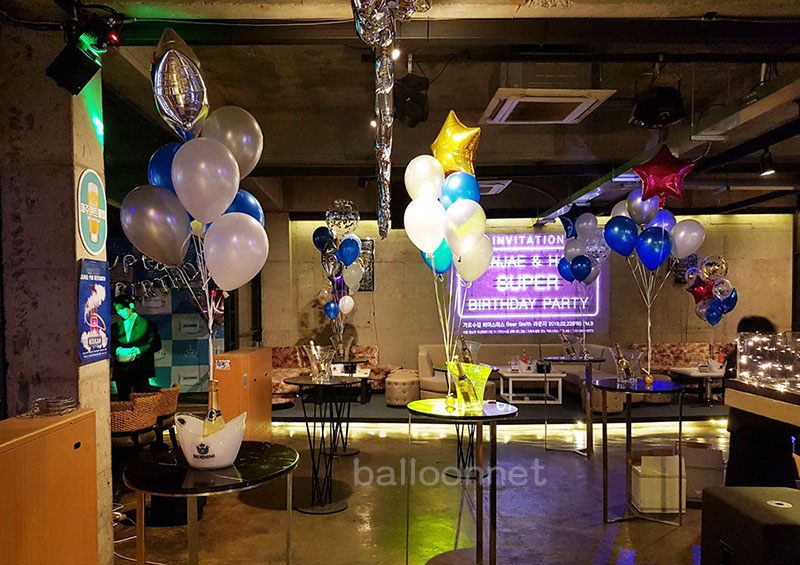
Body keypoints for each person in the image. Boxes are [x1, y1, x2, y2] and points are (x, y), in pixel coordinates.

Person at [724, 316, 798, 487]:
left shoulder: (738, 360)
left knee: (744, 485)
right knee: (776, 484)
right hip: (775, 427)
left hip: (746, 429)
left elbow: (728, 390)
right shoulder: (783, 359)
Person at [111, 295, 162, 401]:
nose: (119, 312)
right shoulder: (115, 327)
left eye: (121, 309)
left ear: (131, 306)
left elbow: (156, 345)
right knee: (123, 401)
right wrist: (118, 350)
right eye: (117, 310)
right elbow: (111, 345)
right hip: (121, 371)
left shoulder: (148, 325)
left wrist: (139, 350)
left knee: (142, 401)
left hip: (141, 370)